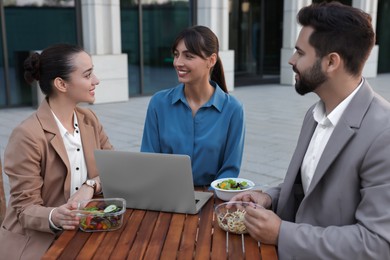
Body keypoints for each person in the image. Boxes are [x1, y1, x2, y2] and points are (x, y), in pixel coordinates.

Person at [230, 2, 390, 259]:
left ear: (331, 62)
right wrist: (268, 198)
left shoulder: (384, 133)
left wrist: (282, 233)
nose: (291, 60)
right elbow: (310, 188)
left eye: (300, 53)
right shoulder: (315, 114)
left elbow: (377, 244)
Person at [0, 43, 113, 259]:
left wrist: (90, 186)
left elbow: (114, 169)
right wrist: (55, 216)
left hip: (84, 229)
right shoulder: (27, 135)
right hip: (40, 241)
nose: (96, 80)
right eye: (88, 74)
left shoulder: (89, 120)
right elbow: (24, 208)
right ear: (61, 84)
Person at [141, 25, 245, 186]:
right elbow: (148, 160)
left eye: (188, 56)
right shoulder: (158, 103)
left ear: (211, 60)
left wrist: (208, 199)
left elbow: (230, 169)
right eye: (176, 55)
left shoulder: (233, 109)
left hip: (212, 199)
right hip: (165, 196)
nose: (178, 63)